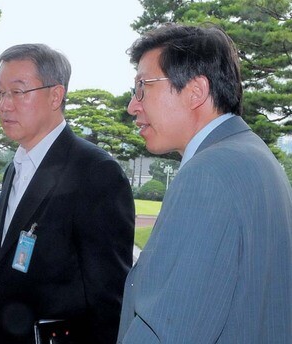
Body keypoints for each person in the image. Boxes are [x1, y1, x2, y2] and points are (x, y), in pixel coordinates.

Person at [117, 23, 292, 343]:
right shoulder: (257, 159)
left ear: (196, 91)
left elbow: (168, 329)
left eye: (143, 86)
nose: (133, 105)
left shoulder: (207, 175)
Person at [0, 43, 135, 343]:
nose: (4, 104)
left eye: (18, 91)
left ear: (56, 95)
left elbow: (109, 300)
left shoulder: (96, 173)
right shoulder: (15, 166)